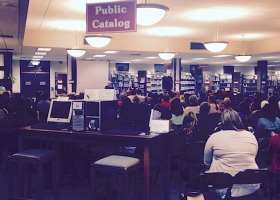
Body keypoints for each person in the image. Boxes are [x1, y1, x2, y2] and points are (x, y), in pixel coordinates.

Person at [204, 109, 259, 199]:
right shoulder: (251, 136)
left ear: (221, 122)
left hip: (222, 188)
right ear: (239, 120)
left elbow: (206, 162)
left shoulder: (214, 137)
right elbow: (253, 157)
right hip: (250, 186)